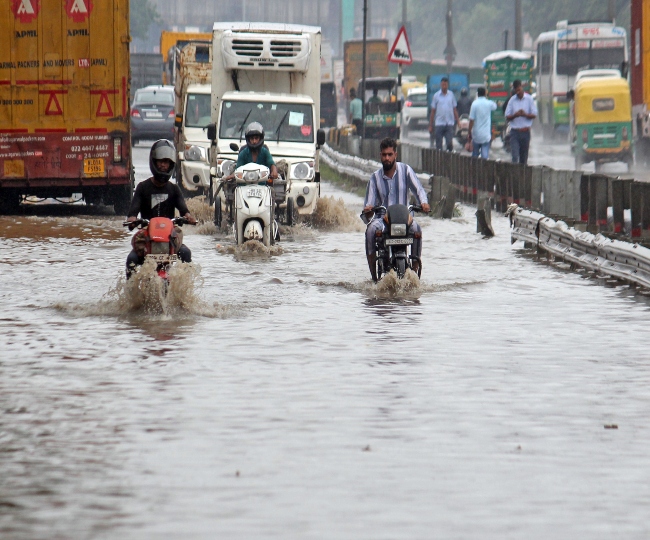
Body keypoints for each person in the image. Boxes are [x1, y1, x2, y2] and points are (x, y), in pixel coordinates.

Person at [125, 139, 197, 277]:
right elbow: (132, 212)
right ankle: (132, 293)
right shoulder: (142, 188)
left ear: (171, 164)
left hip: (168, 237)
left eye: (167, 162)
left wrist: (189, 217)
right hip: (147, 238)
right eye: (160, 161)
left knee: (186, 253)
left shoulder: (174, 189)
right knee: (132, 260)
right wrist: (132, 220)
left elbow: (184, 210)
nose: (164, 165)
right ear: (154, 161)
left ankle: (184, 290)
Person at [362, 137, 431, 282]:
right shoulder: (374, 178)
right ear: (380, 155)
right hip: (382, 219)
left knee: (417, 229)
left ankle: (415, 272)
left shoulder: (406, 171)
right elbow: (368, 205)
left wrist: (424, 203)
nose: (387, 158)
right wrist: (368, 209)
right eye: (384, 155)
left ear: (395, 155)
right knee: (370, 231)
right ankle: (374, 277)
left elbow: (419, 189)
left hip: (405, 217)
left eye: (390, 154)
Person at [505, 79, 538, 164]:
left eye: (519, 90)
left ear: (521, 87)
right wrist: (515, 115)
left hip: (525, 132)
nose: (518, 93)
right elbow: (507, 116)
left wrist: (525, 115)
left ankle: (523, 176)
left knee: (524, 158)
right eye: (516, 91)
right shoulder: (512, 100)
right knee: (515, 157)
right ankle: (515, 176)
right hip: (514, 133)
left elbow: (534, 114)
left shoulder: (529, 99)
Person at [428, 76, 459, 152]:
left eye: (445, 84)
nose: (444, 86)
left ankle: (448, 158)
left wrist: (458, 121)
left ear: (448, 85)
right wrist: (430, 125)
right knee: (438, 145)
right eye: (443, 84)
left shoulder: (451, 95)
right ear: (441, 85)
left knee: (449, 143)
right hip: (439, 123)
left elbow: (454, 109)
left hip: (449, 123)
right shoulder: (436, 96)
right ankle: (439, 161)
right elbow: (433, 111)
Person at [467, 87, 497, 159]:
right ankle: (484, 168)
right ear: (485, 93)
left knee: (475, 156)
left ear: (477, 94)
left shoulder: (474, 104)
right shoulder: (489, 103)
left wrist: (469, 132)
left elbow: (471, 120)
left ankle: (474, 169)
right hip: (486, 135)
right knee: (485, 156)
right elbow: (495, 106)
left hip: (476, 135)